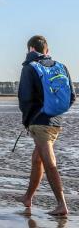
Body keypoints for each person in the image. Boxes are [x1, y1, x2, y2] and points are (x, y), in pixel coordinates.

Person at [17, 35, 75, 217]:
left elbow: (24, 98)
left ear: (31, 49)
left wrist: (28, 121)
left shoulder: (29, 68)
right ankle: (28, 197)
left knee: (49, 163)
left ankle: (61, 205)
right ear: (47, 51)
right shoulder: (61, 66)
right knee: (37, 159)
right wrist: (55, 112)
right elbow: (72, 96)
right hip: (55, 122)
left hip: (39, 122)